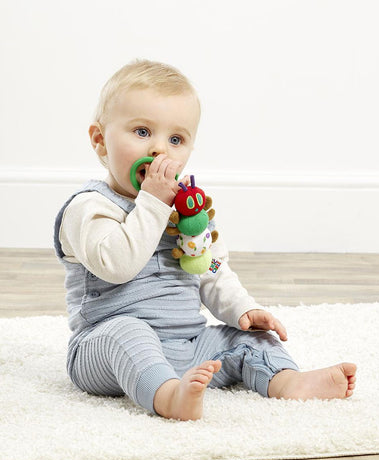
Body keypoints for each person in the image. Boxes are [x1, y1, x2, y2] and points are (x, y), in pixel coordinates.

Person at [54, 59, 357, 421]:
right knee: (128, 331)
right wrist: (152, 203)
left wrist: (242, 308)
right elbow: (116, 265)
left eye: (176, 139)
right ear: (100, 140)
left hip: (186, 346)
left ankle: (287, 381)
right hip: (104, 350)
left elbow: (209, 267)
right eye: (142, 132)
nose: (160, 150)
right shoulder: (89, 208)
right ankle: (168, 397)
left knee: (248, 340)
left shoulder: (188, 212)